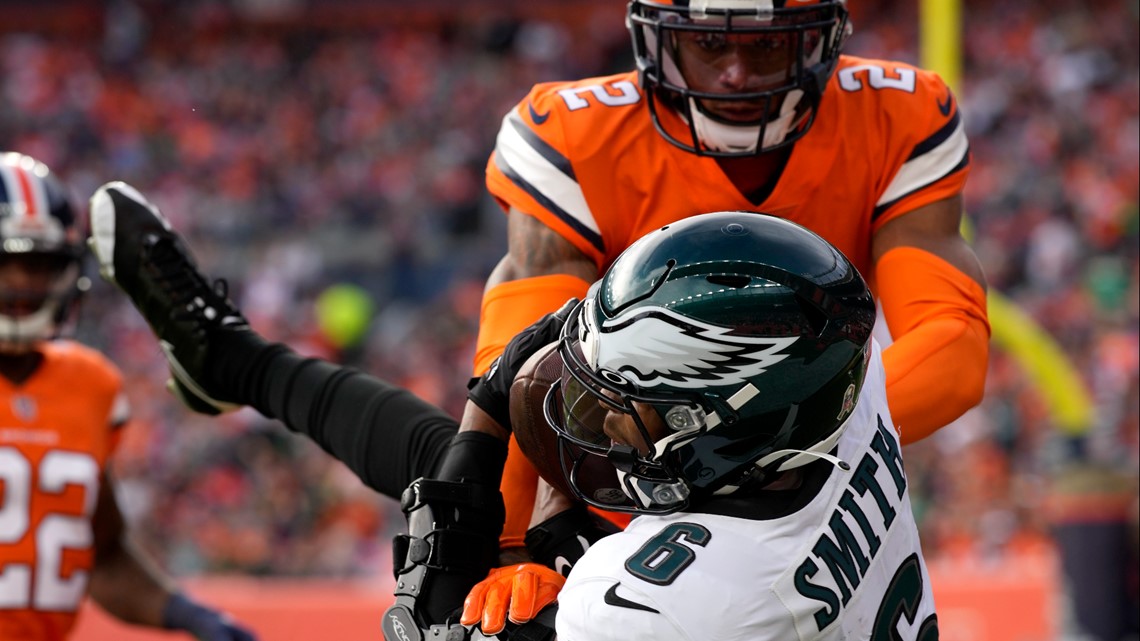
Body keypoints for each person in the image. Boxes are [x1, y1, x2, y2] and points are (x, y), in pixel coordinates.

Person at [89, 181, 936, 639]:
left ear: (716, 425)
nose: (603, 421)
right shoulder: (835, 388)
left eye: (632, 407)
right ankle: (231, 360)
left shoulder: (673, 602)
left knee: (453, 521)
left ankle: (231, 360)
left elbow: (421, 620)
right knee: (469, 477)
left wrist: (470, 539)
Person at [471, 0, 991, 558]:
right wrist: (507, 547)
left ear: (821, 40)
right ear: (659, 41)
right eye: (710, 45)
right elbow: (526, 377)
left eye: (766, 45)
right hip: (623, 488)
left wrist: (756, 446)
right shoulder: (574, 134)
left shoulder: (895, 112)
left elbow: (952, 350)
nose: (735, 74)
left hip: (802, 487)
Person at [0, 153, 257, 641]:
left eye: (38, 264)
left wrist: (191, 616)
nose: (21, 283)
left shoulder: (90, 384)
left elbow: (102, 553)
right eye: (5, 263)